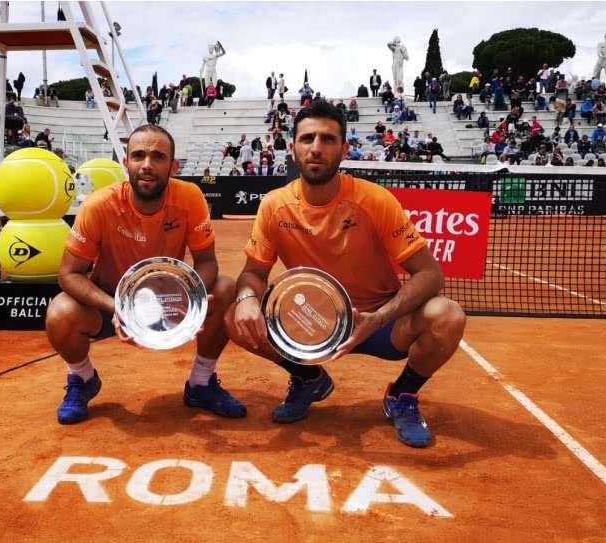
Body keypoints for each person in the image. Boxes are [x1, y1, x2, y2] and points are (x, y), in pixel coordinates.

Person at [225, 101, 466, 448]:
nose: (316, 148)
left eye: (328, 139)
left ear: (344, 148)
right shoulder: (274, 205)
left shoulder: (374, 200)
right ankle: (309, 379)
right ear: (293, 148)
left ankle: (402, 394)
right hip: (309, 326)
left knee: (448, 316)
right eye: (307, 138)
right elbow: (253, 272)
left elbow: (429, 274)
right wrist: (248, 298)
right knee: (235, 316)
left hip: (379, 323)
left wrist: (378, 317)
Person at [46, 124, 247, 425]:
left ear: (173, 165)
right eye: (138, 155)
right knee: (60, 312)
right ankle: (82, 378)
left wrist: (187, 299)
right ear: (126, 162)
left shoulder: (190, 197)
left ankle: (201, 383)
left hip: (170, 303)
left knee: (225, 288)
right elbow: (69, 274)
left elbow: (207, 263)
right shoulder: (99, 205)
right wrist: (119, 307)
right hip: (111, 307)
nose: (147, 165)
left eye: (158, 156)